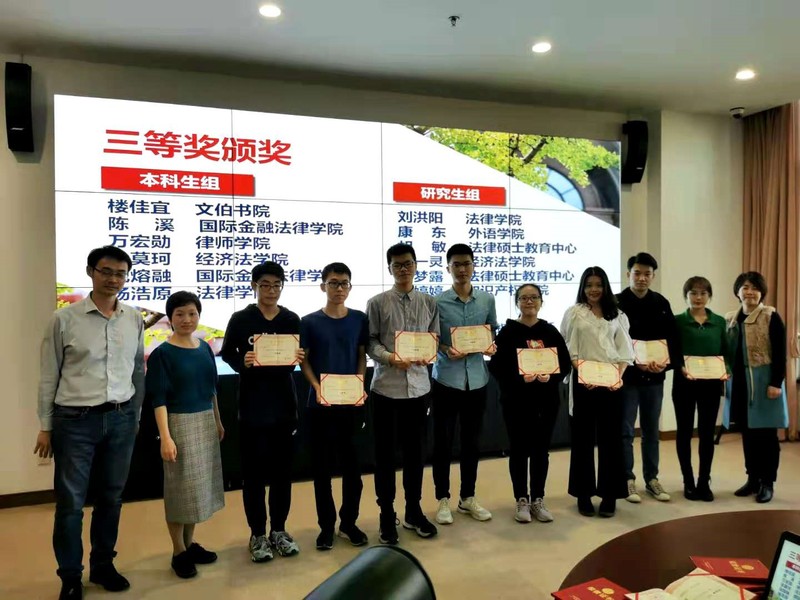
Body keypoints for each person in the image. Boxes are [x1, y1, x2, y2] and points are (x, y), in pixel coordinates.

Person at [34, 246, 144, 600]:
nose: (113, 279)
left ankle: (103, 565)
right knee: (70, 503)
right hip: (75, 421)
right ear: (90, 272)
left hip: (121, 417)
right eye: (106, 271)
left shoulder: (133, 318)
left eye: (120, 273)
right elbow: (49, 375)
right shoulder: (64, 319)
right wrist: (46, 426)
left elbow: (137, 371)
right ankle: (70, 576)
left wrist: (135, 415)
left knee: (111, 498)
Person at [220, 262, 305, 562]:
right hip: (252, 407)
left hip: (284, 407)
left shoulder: (291, 319)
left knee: (283, 474)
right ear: (254, 286)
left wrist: (300, 355)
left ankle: (279, 530)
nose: (271, 290)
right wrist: (241, 361)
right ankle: (257, 534)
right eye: (265, 284)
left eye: (276, 285)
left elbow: (300, 354)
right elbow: (227, 353)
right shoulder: (241, 319)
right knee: (253, 475)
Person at [145, 291, 225, 579]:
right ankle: (178, 551)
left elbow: (212, 389)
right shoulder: (162, 354)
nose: (187, 319)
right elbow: (158, 399)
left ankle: (190, 545)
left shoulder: (204, 348)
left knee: (198, 489)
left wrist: (217, 421)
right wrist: (166, 437)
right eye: (180, 314)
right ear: (170, 317)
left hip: (205, 422)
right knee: (180, 490)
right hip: (178, 424)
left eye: (192, 313)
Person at [366, 243, 440, 545]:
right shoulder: (377, 303)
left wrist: (428, 352)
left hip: (419, 390)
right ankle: (386, 514)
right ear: (390, 269)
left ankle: (413, 510)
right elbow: (371, 342)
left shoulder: (429, 302)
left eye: (408, 263)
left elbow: (434, 339)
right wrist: (390, 357)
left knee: (415, 455)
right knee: (384, 457)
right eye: (397, 265)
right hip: (386, 390)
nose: (403, 269)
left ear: (416, 266)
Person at [300, 262, 369, 551]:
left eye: (344, 283)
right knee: (322, 471)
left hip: (351, 404)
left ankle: (348, 524)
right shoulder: (309, 321)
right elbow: (304, 359)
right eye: (333, 283)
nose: (339, 288)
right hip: (320, 405)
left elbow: (362, 355)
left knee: (353, 470)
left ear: (350, 287)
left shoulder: (359, 319)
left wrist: (360, 383)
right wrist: (316, 387)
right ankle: (326, 527)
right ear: (323, 286)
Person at [489, 284, 571, 523]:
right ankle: (521, 500)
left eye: (534, 297)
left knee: (540, 450)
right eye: (524, 298)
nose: (529, 302)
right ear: (517, 302)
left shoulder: (550, 331)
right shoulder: (507, 331)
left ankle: (538, 498)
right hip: (516, 400)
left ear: (541, 301)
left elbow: (564, 363)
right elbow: (496, 366)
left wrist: (551, 377)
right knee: (518, 449)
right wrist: (518, 377)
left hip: (546, 401)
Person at [431, 244, 497, 526]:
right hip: (447, 379)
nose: (462, 269)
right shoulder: (437, 302)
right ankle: (443, 499)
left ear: (473, 266)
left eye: (466, 263)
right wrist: (446, 349)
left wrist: (490, 345)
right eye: (456, 264)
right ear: (448, 268)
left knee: (472, 442)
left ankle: (467, 497)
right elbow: (432, 338)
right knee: (443, 443)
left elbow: (491, 330)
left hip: (477, 380)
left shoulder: (487, 299)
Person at [561, 266, 633, 518]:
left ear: (605, 287)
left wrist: (616, 377)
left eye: (598, 285)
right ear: (583, 287)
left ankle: (610, 495)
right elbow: (567, 347)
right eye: (589, 285)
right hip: (583, 383)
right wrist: (583, 373)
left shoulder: (618, 315)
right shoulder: (574, 313)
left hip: (612, 385)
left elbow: (625, 351)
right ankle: (583, 494)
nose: (594, 289)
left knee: (611, 440)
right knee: (582, 440)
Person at [616, 252, 680, 504]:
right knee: (625, 431)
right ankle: (627, 478)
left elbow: (672, 339)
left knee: (652, 431)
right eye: (637, 273)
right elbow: (612, 341)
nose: (642, 278)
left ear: (653, 276)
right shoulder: (617, 302)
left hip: (654, 378)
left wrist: (664, 365)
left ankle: (651, 478)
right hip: (627, 378)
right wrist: (633, 363)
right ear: (628, 274)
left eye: (647, 274)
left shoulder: (661, 302)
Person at [724, 271, 788, 504]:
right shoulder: (731, 318)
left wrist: (776, 382)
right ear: (737, 291)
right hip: (740, 384)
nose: (749, 292)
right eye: (745, 287)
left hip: (764, 382)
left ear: (762, 292)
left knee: (767, 436)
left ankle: (767, 482)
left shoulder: (770, 316)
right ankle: (752, 479)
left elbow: (780, 352)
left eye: (754, 288)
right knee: (748, 434)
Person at [673, 277, 728, 502]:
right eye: (693, 293)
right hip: (684, 383)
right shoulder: (677, 321)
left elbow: (727, 351)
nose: (698, 297)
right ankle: (688, 481)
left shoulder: (719, 322)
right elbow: (673, 351)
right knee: (684, 432)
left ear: (709, 296)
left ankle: (704, 481)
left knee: (706, 434)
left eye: (703, 293)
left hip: (712, 384)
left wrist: (727, 369)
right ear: (686, 296)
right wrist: (680, 366)